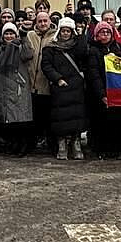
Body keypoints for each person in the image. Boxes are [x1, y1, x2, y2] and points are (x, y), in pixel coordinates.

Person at [41, 17, 90, 160]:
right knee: (60, 118)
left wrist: (81, 36)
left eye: (68, 31)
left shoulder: (76, 45)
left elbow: (83, 54)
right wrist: (57, 78)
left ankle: (76, 143)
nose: (65, 34)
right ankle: (61, 143)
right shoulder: (51, 48)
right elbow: (46, 65)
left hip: (76, 87)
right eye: (63, 31)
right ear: (59, 32)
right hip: (60, 87)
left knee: (76, 116)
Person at [87, 21, 121, 158]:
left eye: (108, 32)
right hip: (100, 94)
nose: (105, 35)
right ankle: (101, 150)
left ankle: (118, 149)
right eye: (102, 32)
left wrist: (117, 56)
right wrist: (102, 94)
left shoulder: (118, 47)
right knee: (100, 123)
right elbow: (93, 74)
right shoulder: (93, 50)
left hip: (118, 93)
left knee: (118, 123)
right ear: (97, 35)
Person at [0, 23, 35, 156]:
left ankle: (22, 146)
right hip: (3, 89)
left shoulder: (20, 47)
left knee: (20, 120)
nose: (9, 36)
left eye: (11, 33)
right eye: (6, 33)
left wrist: (24, 37)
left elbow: (29, 54)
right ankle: (12, 145)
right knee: (8, 121)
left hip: (18, 88)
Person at [26, 11, 56, 155]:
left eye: (45, 20)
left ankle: (50, 143)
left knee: (48, 116)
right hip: (32, 83)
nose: (43, 24)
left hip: (48, 84)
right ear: (35, 22)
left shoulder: (55, 36)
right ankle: (33, 143)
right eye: (40, 21)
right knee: (33, 117)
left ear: (50, 21)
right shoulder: (30, 35)